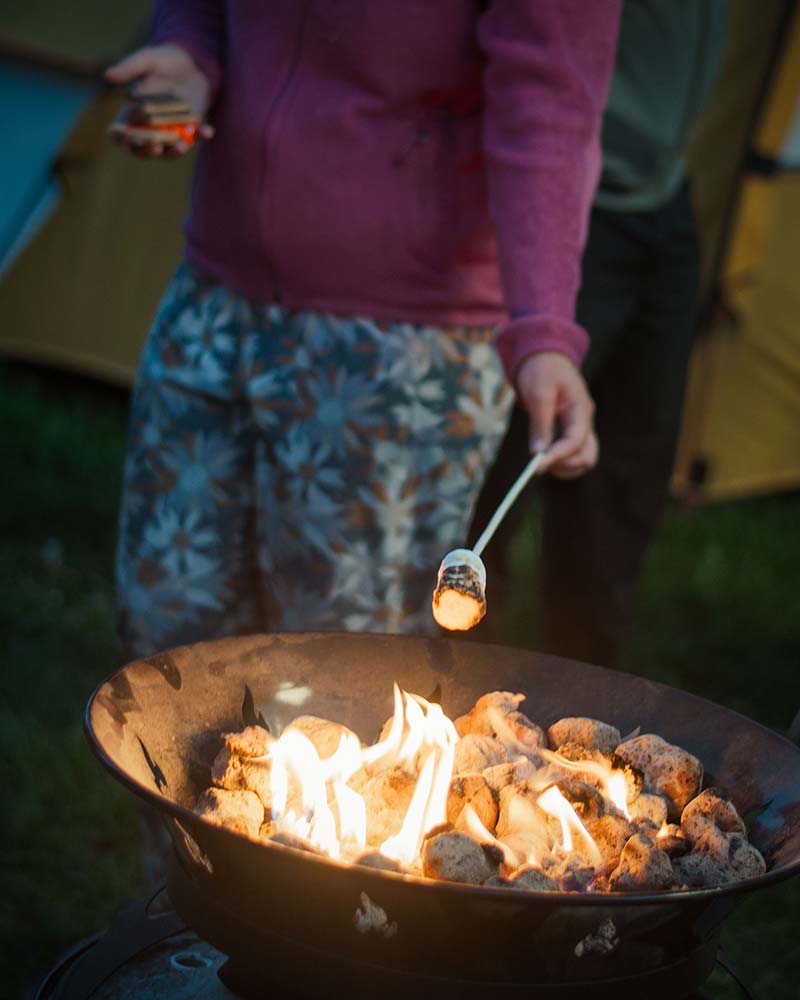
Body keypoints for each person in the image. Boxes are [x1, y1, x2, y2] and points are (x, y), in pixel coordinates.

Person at [107, 1, 621, 663]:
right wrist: (188, 53)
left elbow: (548, 107)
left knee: (341, 667)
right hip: (216, 290)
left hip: (402, 344)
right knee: (163, 646)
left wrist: (543, 329)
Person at [472, 0, 728, 667]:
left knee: (620, 484)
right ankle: (448, 697)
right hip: (562, 203)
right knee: (497, 481)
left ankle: (580, 704)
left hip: (665, 194)